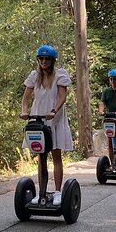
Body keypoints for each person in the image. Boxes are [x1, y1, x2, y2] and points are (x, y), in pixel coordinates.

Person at [20, 45, 74, 206]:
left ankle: (58, 192)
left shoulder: (60, 75)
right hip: (37, 117)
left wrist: (54, 110)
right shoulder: (34, 76)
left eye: (47, 59)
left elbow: (62, 97)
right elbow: (26, 99)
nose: (43, 61)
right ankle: (41, 192)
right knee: (40, 156)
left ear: (52, 60)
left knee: (56, 155)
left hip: (54, 118)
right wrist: (24, 111)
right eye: (41, 58)